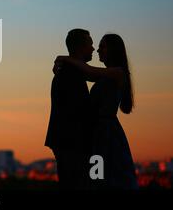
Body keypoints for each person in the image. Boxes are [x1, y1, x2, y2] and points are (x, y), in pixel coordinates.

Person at [54, 33, 138, 189]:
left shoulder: (117, 73)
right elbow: (85, 72)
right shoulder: (105, 75)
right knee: (98, 176)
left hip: (107, 134)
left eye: (102, 46)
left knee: (106, 175)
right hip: (99, 132)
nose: (98, 50)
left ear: (113, 50)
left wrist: (63, 58)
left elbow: (89, 70)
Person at [45, 29, 95, 189]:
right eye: (90, 44)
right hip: (73, 143)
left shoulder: (68, 71)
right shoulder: (70, 73)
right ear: (81, 47)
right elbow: (77, 110)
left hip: (69, 142)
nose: (93, 49)